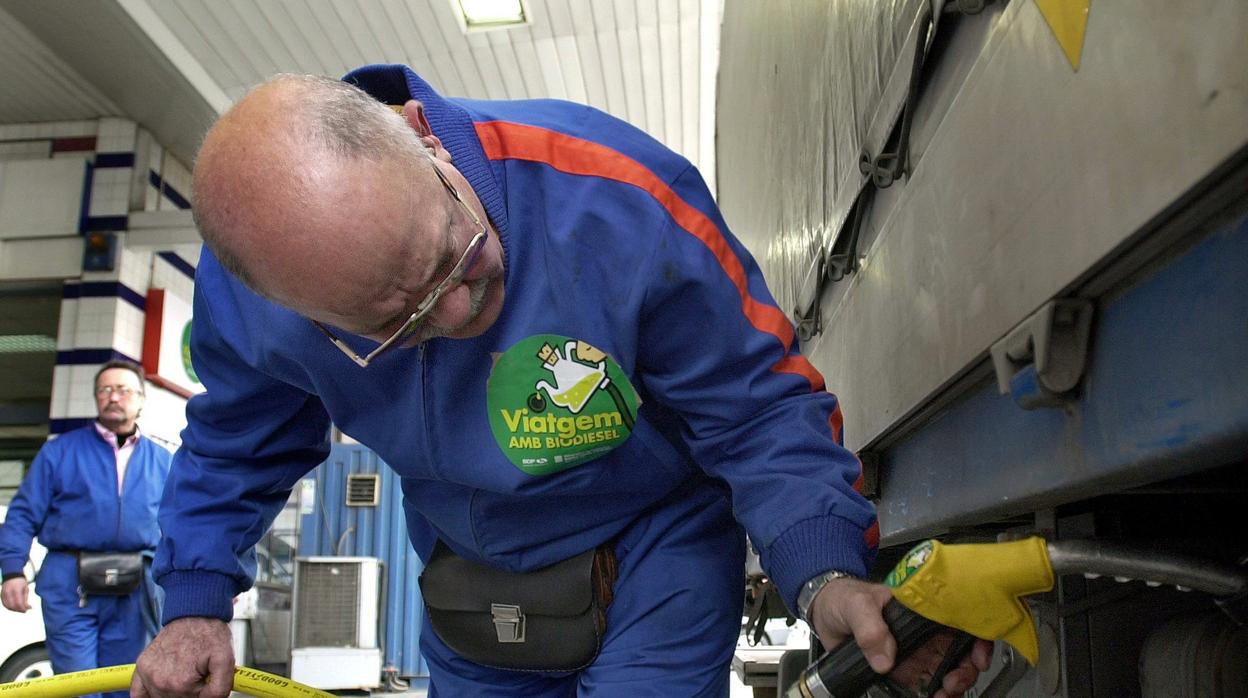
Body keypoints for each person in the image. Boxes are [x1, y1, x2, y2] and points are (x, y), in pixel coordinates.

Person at [132, 65, 991, 698]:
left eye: (452, 255)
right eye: (396, 322)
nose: (460, 310)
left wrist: (822, 575)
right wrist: (195, 602)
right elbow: (236, 445)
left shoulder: (616, 199)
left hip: (656, 536)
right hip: (469, 568)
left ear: (423, 138)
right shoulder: (257, 297)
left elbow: (755, 406)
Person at [0, 360, 171, 698]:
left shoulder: (163, 460)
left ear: (140, 399)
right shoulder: (60, 452)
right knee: (77, 685)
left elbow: (183, 525)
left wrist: (211, 574)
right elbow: (22, 514)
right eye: (105, 390)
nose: (114, 397)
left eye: (123, 390)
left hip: (136, 587)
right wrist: (12, 570)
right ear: (95, 398)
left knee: (128, 683)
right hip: (69, 585)